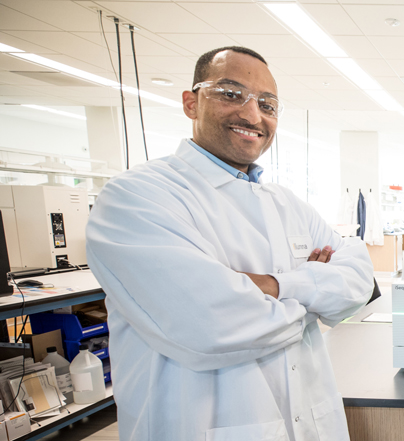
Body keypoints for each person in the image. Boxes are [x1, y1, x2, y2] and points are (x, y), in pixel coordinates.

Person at [86, 46, 374, 441]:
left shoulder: (286, 203)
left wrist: (275, 287)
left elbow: (359, 282)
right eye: (231, 94)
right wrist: (316, 296)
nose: (253, 115)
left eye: (268, 105)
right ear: (191, 102)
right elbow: (210, 325)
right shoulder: (136, 197)